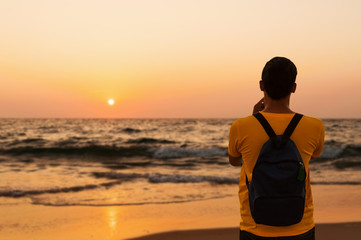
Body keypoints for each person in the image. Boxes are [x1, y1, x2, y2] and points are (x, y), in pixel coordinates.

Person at [228, 57, 325, 240]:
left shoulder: (240, 126)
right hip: (300, 226)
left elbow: (234, 161)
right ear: (294, 87)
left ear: (261, 85)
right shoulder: (315, 126)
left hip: (254, 226)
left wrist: (254, 120)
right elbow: (312, 156)